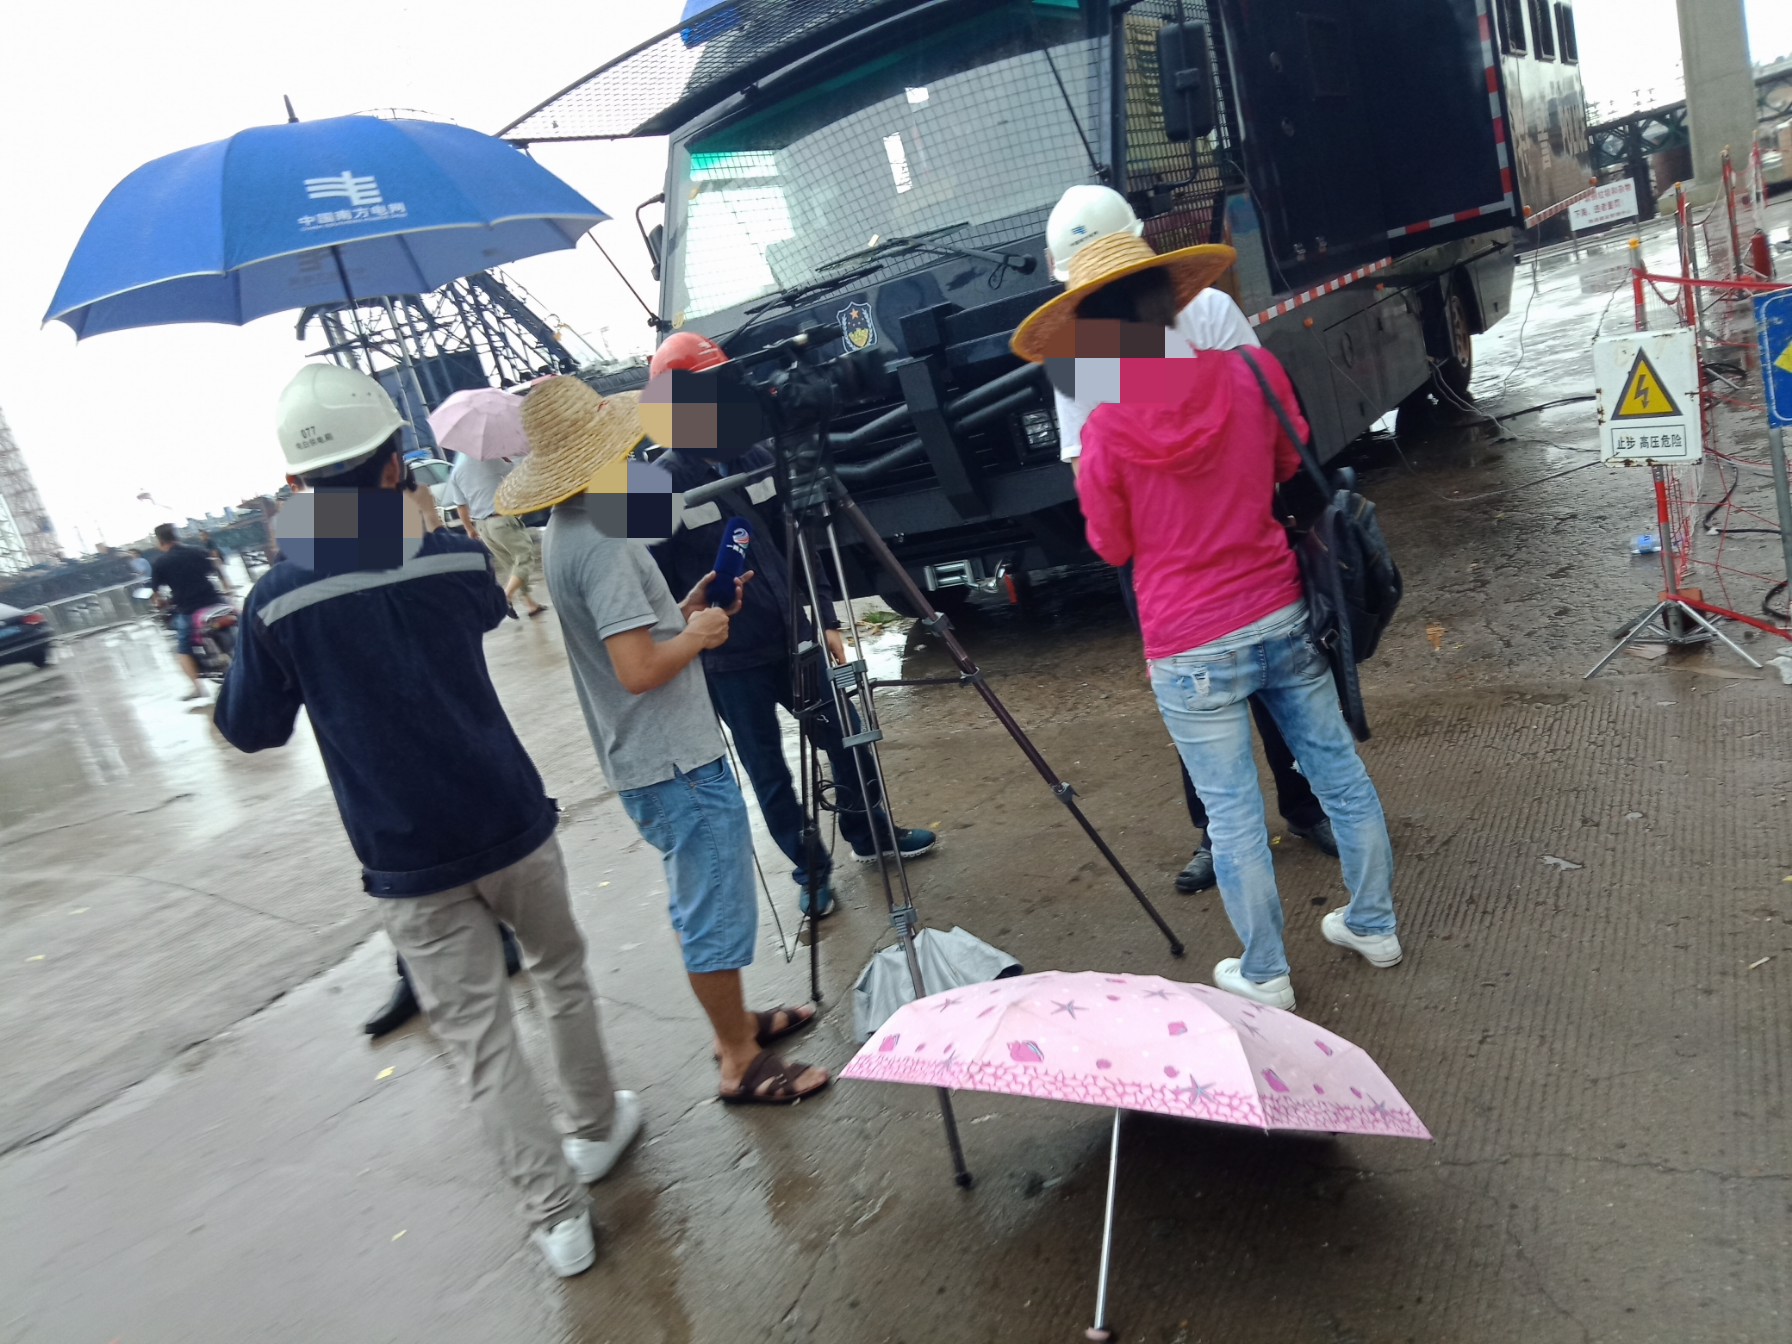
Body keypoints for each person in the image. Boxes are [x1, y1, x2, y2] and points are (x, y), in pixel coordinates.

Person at [214, 364, 637, 1277]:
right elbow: (482, 605)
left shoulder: (276, 598)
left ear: (294, 483)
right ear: (393, 465)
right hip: (510, 816)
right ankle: (597, 1128)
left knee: (481, 1037)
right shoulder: (450, 558)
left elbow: (250, 729)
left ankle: (558, 1219)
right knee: (559, 972)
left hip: (407, 859)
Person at [1013, 228, 1401, 1011]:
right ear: (1170, 301)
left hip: (1188, 644)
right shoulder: (1250, 372)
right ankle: (1374, 925)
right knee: (1338, 773)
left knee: (1232, 815)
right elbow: (1289, 467)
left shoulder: (1106, 427)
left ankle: (1267, 973)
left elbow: (1111, 544)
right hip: (1281, 611)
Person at [494, 376, 830, 1108]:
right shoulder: (605, 543)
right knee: (713, 909)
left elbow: (628, 640)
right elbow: (639, 670)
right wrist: (700, 635)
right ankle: (738, 1058)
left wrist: (683, 612)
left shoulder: (569, 532)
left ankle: (734, 1024)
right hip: (674, 758)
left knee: (698, 902)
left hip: (646, 757)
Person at [1043, 185, 1338, 896]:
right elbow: (1087, 458)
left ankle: (1299, 807)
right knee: (1197, 698)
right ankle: (1217, 832)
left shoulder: (1207, 312)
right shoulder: (1080, 355)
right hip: (1164, 554)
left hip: (1231, 533)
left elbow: (1264, 409)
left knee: (1252, 685)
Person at [645, 335, 936, 919]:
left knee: (847, 739)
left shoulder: (758, 454)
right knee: (768, 769)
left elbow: (802, 541)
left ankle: (870, 833)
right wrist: (680, 640)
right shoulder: (650, 483)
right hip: (728, 658)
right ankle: (810, 870)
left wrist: (824, 617)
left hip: (795, 636)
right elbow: (639, 585)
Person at [444, 451, 548, 619]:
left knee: (511, 565)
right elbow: (515, 474)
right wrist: (506, 458)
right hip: (501, 521)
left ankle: (530, 604)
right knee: (524, 558)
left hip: (482, 526)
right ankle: (505, 596)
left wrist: (469, 529)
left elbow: (461, 506)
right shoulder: (491, 458)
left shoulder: (456, 471)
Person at [150, 523, 229, 700]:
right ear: (177, 536)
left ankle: (198, 688)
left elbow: (157, 594)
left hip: (190, 610)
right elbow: (217, 568)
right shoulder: (198, 551)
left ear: (160, 541)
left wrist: (160, 602)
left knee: (183, 649)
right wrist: (227, 588)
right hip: (217, 602)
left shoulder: (160, 563)